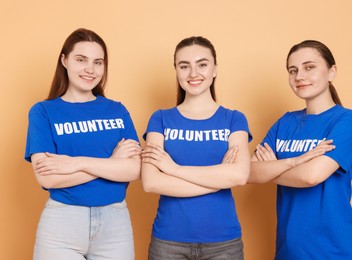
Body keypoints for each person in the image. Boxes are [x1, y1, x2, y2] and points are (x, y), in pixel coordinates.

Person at [24, 28, 141, 260]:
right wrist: (112, 164)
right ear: (64, 60)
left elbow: (135, 169)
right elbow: (47, 177)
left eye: (98, 62)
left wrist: (76, 163)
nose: (90, 69)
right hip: (62, 225)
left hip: (115, 225)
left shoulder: (117, 110)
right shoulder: (43, 112)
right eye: (81, 60)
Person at [249, 40, 352, 259]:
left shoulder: (347, 121)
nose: (299, 76)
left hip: (334, 250)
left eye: (309, 67)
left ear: (332, 72)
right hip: (288, 251)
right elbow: (248, 173)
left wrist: (271, 168)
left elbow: (312, 176)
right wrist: (293, 162)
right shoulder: (285, 123)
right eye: (293, 70)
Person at [141, 36, 252, 260]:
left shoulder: (234, 119)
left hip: (224, 243)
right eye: (184, 66)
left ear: (215, 69)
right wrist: (218, 178)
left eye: (202, 64)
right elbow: (151, 182)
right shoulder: (160, 119)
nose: (193, 73)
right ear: (176, 71)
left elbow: (239, 176)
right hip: (168, 242)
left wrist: (173, 169)